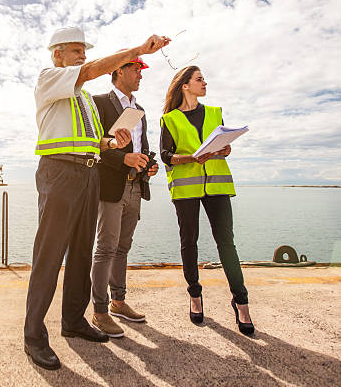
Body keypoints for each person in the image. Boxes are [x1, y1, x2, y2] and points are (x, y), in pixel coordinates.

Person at [24, 26, 169, 370]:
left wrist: (111, 143)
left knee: (81, 253)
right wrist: (137, 50)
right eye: (75, 51)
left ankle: (73, 322)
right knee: (49, 254)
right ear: (57, 55)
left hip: (89, 172)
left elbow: (95, 141)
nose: (83, 57)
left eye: (83, 51)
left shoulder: (85, 98)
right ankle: (33, 336)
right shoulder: (49, 78)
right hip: (59, 172)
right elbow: (90, 72)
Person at [159, 65, 254, 335]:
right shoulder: (169, 119)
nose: (205, 83)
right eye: (199, 79)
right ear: (185, 86)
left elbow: (224, 145)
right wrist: (191, 158)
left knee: (226, 242)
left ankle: (241, 301)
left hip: (217, 184)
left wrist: (226, 148)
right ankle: (195, 296)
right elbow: (166, 155)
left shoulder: (215, 112)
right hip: (186, 188)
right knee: (189, 241)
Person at [90, 54, 158, 338]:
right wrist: (124, 159)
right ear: (118, 71)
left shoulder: (139, 108)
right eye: (136, 69)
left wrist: (148, 166)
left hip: (135, 186)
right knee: (106, 247)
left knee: (123, 247)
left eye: (141, 70)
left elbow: (142, 145)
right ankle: (100, 311)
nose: (141, 75)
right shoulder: (99, 102)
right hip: (110, 187)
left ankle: (118, 301)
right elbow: (94, 144)